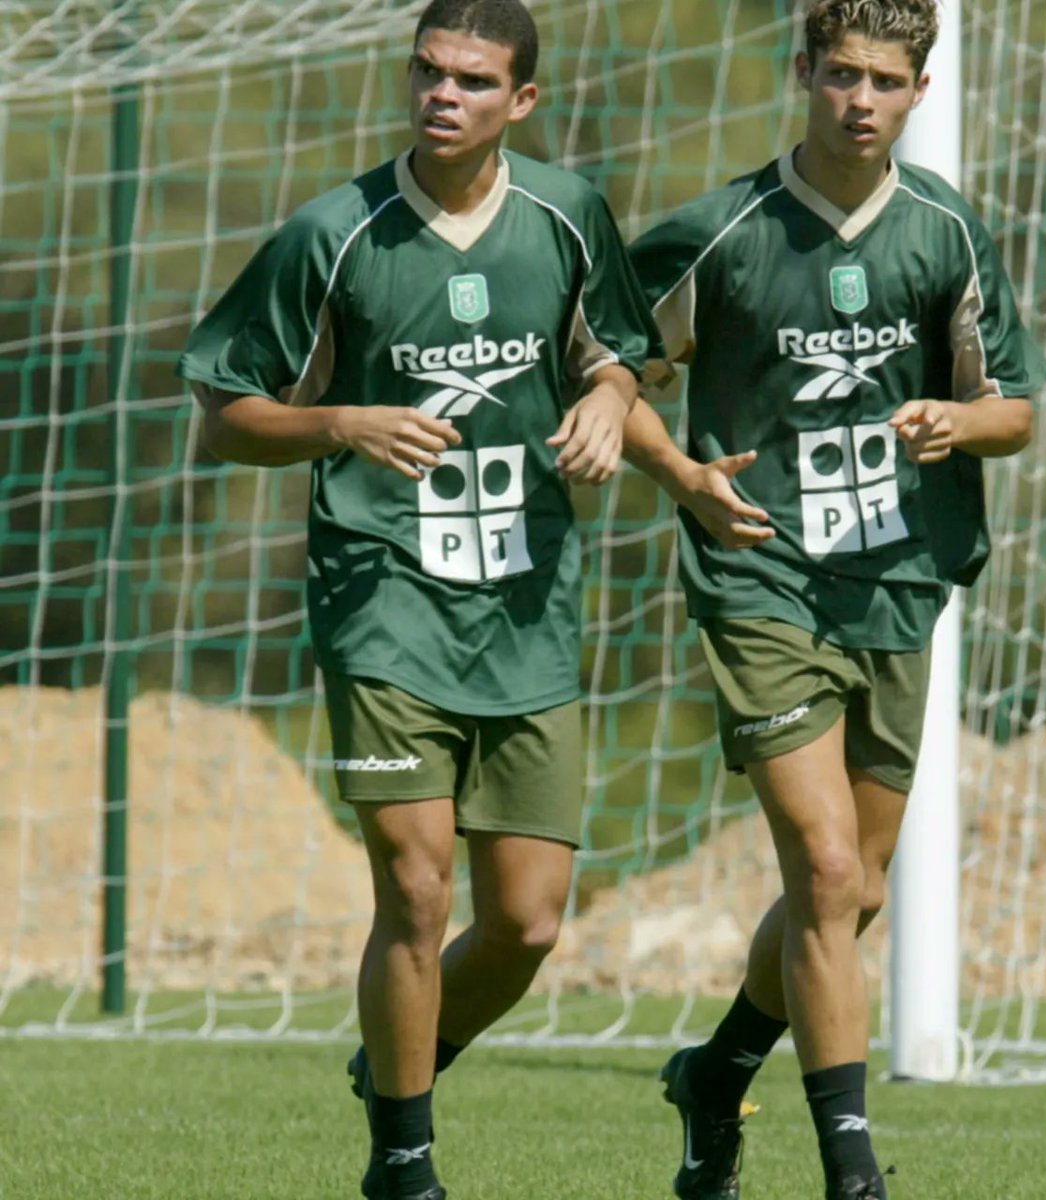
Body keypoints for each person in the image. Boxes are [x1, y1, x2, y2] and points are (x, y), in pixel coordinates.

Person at [177, 1, 661, 1196]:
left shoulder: (568, 215)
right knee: (414, 884)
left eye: (474, 81)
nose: (444, 94)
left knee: (528, 922)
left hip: (528, 598)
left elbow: (616, 353)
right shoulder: (332, 233)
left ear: (523, 102)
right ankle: (403, 1163)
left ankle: (401, 1062)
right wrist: (340, 421)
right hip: (382, 593)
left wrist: (608, 404)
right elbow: (226, 411)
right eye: (430, 72)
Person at [622, 2, 1046, 1198]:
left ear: (921, 92)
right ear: (803, 71)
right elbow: (605, 369)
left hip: (899, 579)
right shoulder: (722, 231)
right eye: (843, 75)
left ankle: (717, 1075)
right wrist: (683, 476)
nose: (862, 100)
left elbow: (1015, 410)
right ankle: (852, 1173)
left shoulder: (945, 232)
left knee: (853, 889)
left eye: (886, 81)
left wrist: (958, 419)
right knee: (821, 869)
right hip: (761, 573)